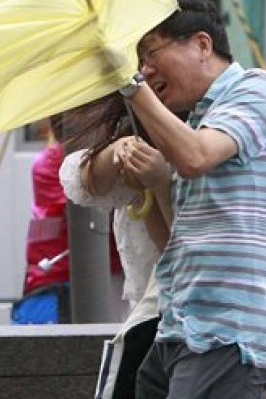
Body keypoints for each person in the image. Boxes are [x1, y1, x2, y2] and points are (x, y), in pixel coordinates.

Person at [117, 0, 266, 399]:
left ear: (202, 45)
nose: (145, 71)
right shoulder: (198, 121)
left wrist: (130, 87)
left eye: (150, 54)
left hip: (231, 330)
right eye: (137, 63)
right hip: (182, 326)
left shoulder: (258, 90)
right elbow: (175, 244)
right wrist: (152, 181)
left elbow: (196, 157)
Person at [59, 92, 175, 399]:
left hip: (174, 311)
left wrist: (157, 184)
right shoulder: (131, 128)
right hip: (153, 309)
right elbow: (85, 181)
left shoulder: (197, 139)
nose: (148, 70)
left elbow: (175, 250)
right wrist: (119, 150)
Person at [11, 114, 130, 325]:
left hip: (91, 276)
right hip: (62, 281)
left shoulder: (49, 161)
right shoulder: (52, 163)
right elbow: (94, 207)